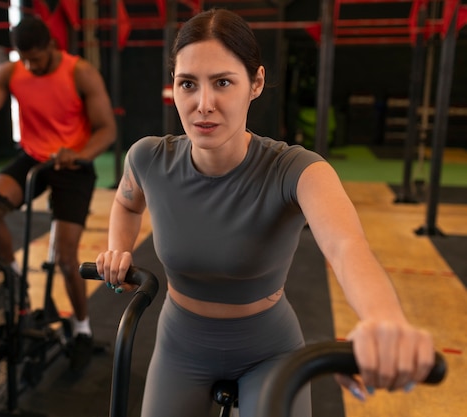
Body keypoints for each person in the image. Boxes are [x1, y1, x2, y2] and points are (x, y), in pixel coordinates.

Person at [94, 8, 435, 417]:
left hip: (269, 351)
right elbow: (127, 202)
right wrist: (119, 248)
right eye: (188, 84)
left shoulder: (297, 169)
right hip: (180, 344)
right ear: (174, 86)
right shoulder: (147, 158)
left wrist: (384, 319)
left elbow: (346, 247)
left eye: (223, 82)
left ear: (255, 83)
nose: (203, 104)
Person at [0, 16, 116, 372]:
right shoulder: (10, 73)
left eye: (37, 58)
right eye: (24, 59)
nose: (31, 65)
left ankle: (82, 329)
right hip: (33, 158)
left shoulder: (81, 73)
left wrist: (80, 155)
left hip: (72, 165)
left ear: (51, 46)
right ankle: (16, 286)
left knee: (66, 259)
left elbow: (106, 131)